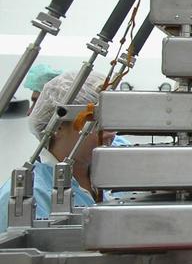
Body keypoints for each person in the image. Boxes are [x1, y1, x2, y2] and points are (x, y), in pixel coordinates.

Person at [0, 70, 114, 227]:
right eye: (97, 124)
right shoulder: (28, 195)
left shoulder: (104, 178)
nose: (111, 134)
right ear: (58, 126)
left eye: (113, 123)